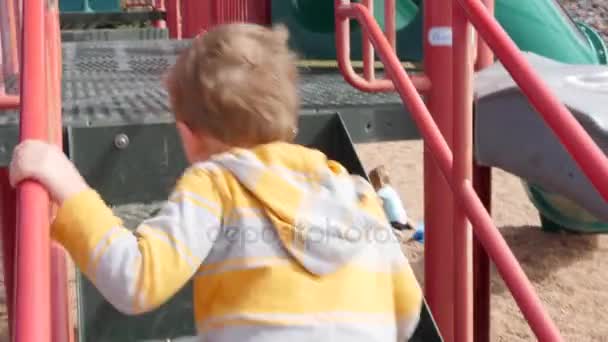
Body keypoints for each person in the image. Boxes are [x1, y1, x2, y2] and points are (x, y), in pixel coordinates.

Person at [9, 23, 422, 341]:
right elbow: (407, 312)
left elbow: (135, 280)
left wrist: (68, 184)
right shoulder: (357, 194)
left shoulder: (217, 183)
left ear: (188, 133)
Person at [369, 166, 414, 231]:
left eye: (372, 181)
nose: (372, 185)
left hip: (395, 223)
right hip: (403, 219)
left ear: (378, 182)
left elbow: (374, 201)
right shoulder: (390, 189)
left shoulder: (382, 192)